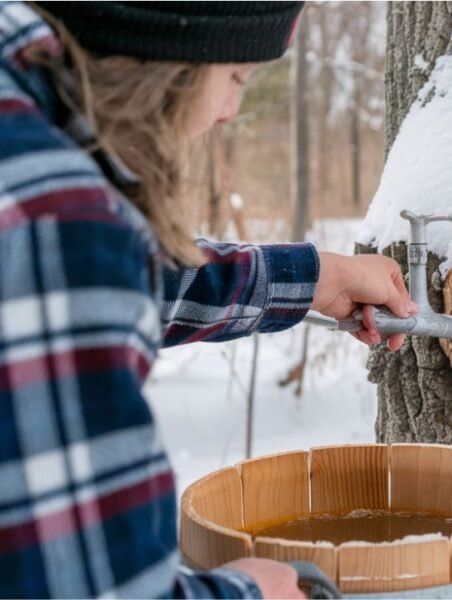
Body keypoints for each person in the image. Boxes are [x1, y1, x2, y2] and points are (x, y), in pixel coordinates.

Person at [0, 2, 416, 597]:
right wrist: (249, 591)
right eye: (234, 78)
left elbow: (124, 277)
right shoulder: (59, 225)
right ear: (166, 55)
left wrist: (310, 277)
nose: (230, 112)